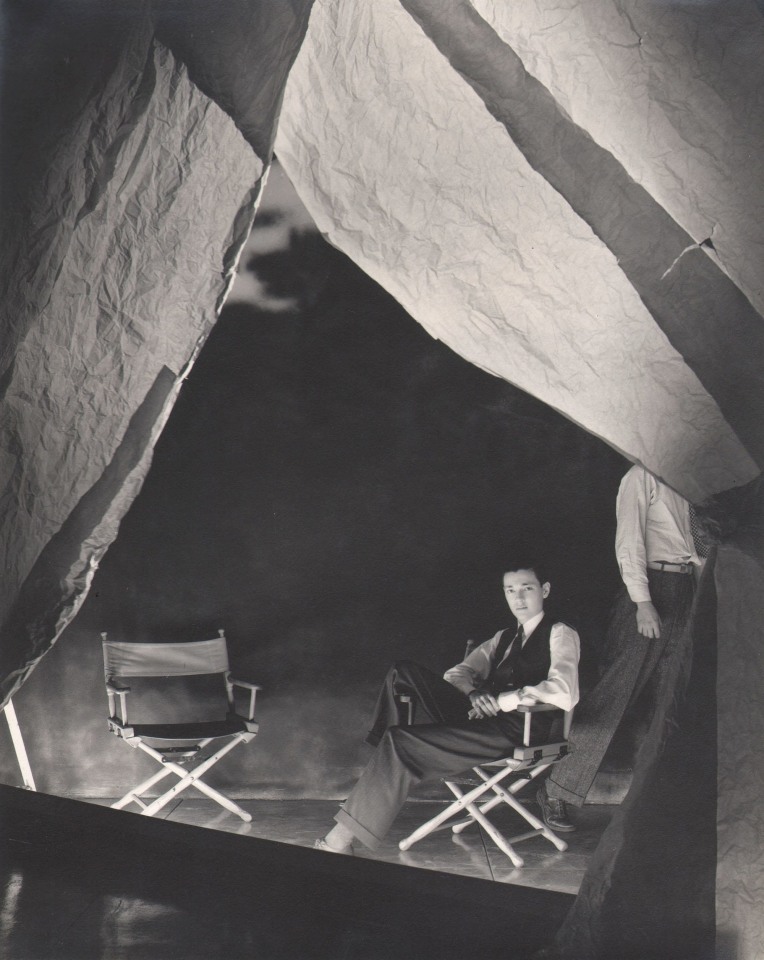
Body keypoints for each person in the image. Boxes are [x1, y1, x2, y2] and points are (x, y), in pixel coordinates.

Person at [314, 558, 580, 854]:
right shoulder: (502, 638)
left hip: (519, 731)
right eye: (510, 590)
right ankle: (379, 780)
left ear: (544, 590)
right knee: (402, 671)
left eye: (526, 588)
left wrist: (504, 701)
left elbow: (565, 692)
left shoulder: (560, 633)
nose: (517, 598)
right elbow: (455, 675)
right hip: (480, 721)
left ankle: (341, 838)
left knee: (399, 740)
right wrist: (474, 695)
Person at [537, 464, 709, 832]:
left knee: (670, 699)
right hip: (648, 592)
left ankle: (654, 801)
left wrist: (699, 604)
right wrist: (643, 602)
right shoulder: (640, 477)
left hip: (685, 592)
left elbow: (697, 550)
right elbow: (629, 543)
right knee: (615, 695)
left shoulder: (691, 483)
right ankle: (558, 791)